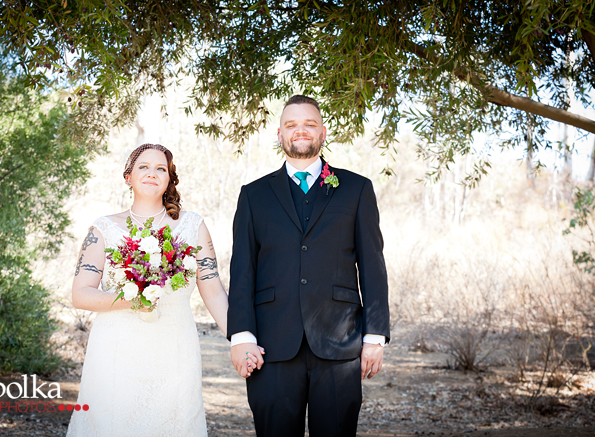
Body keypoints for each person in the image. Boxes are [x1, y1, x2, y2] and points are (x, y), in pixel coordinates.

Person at [66, 143, 261, 436]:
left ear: (170, 179)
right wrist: (131, 300)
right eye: (143, 166)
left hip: (174, 348)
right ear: (128, 176)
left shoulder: (192, 226)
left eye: (161, 168)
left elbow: (213, 291)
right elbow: (81, 294)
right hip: (116, 350)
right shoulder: (104, 228)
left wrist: (240, 340)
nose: (152, 173)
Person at [227, 95, 390, 436]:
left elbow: (373, 266)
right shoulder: (253, 195)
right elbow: (242, 270)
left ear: (323, 132)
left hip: (338, 343)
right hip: (270, 346)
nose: (300, 130)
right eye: (291, 125)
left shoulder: (357, 189)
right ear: (279, 134)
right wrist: (241, 336)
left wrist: (375, 336)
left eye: (309, 124)